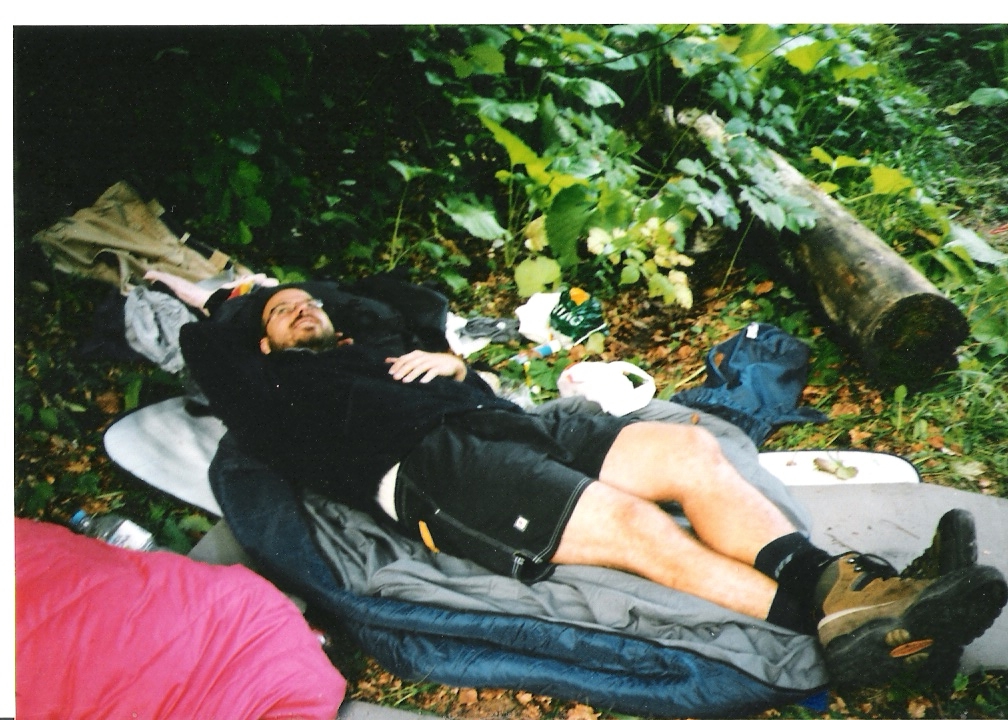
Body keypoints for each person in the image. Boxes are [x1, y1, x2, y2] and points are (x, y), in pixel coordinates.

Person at [177, 277, 1006, 690]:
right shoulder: (276, 395)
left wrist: (454, 363)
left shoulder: (375, 342)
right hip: (437, 470)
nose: (300, 309)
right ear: (261, 344)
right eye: (280, 314)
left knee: (689, 453)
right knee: (640, 530)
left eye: (307, 301)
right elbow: (205, 349)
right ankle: (857, 636)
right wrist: (237, 302)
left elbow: (408, 298)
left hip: (507, 424)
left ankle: (844, 585)